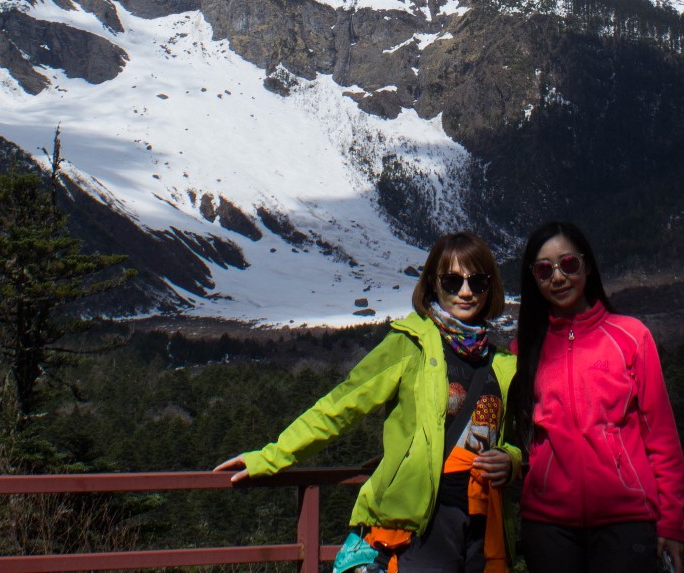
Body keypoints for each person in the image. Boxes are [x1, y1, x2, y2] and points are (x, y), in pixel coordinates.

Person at [215, 231, 519, 573]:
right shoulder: (409, 346)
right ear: (433, 284)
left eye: (476, 282)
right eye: (452, 281)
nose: (465, 292)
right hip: (422, 526)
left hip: (483, 526)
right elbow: (341, 407)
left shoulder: (503, 366)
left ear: (490, 287)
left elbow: (518, 443)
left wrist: (511, 460)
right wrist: (270, 457)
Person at [506, 221, 684, 573]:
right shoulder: (523, 351)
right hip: (548, 525)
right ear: (534, 279)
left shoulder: (632, 337)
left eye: (568, 264)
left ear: (587, 266)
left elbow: (662, 440)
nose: (558, 277)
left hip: (626, 519)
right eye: (544, 270)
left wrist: (671, 524)